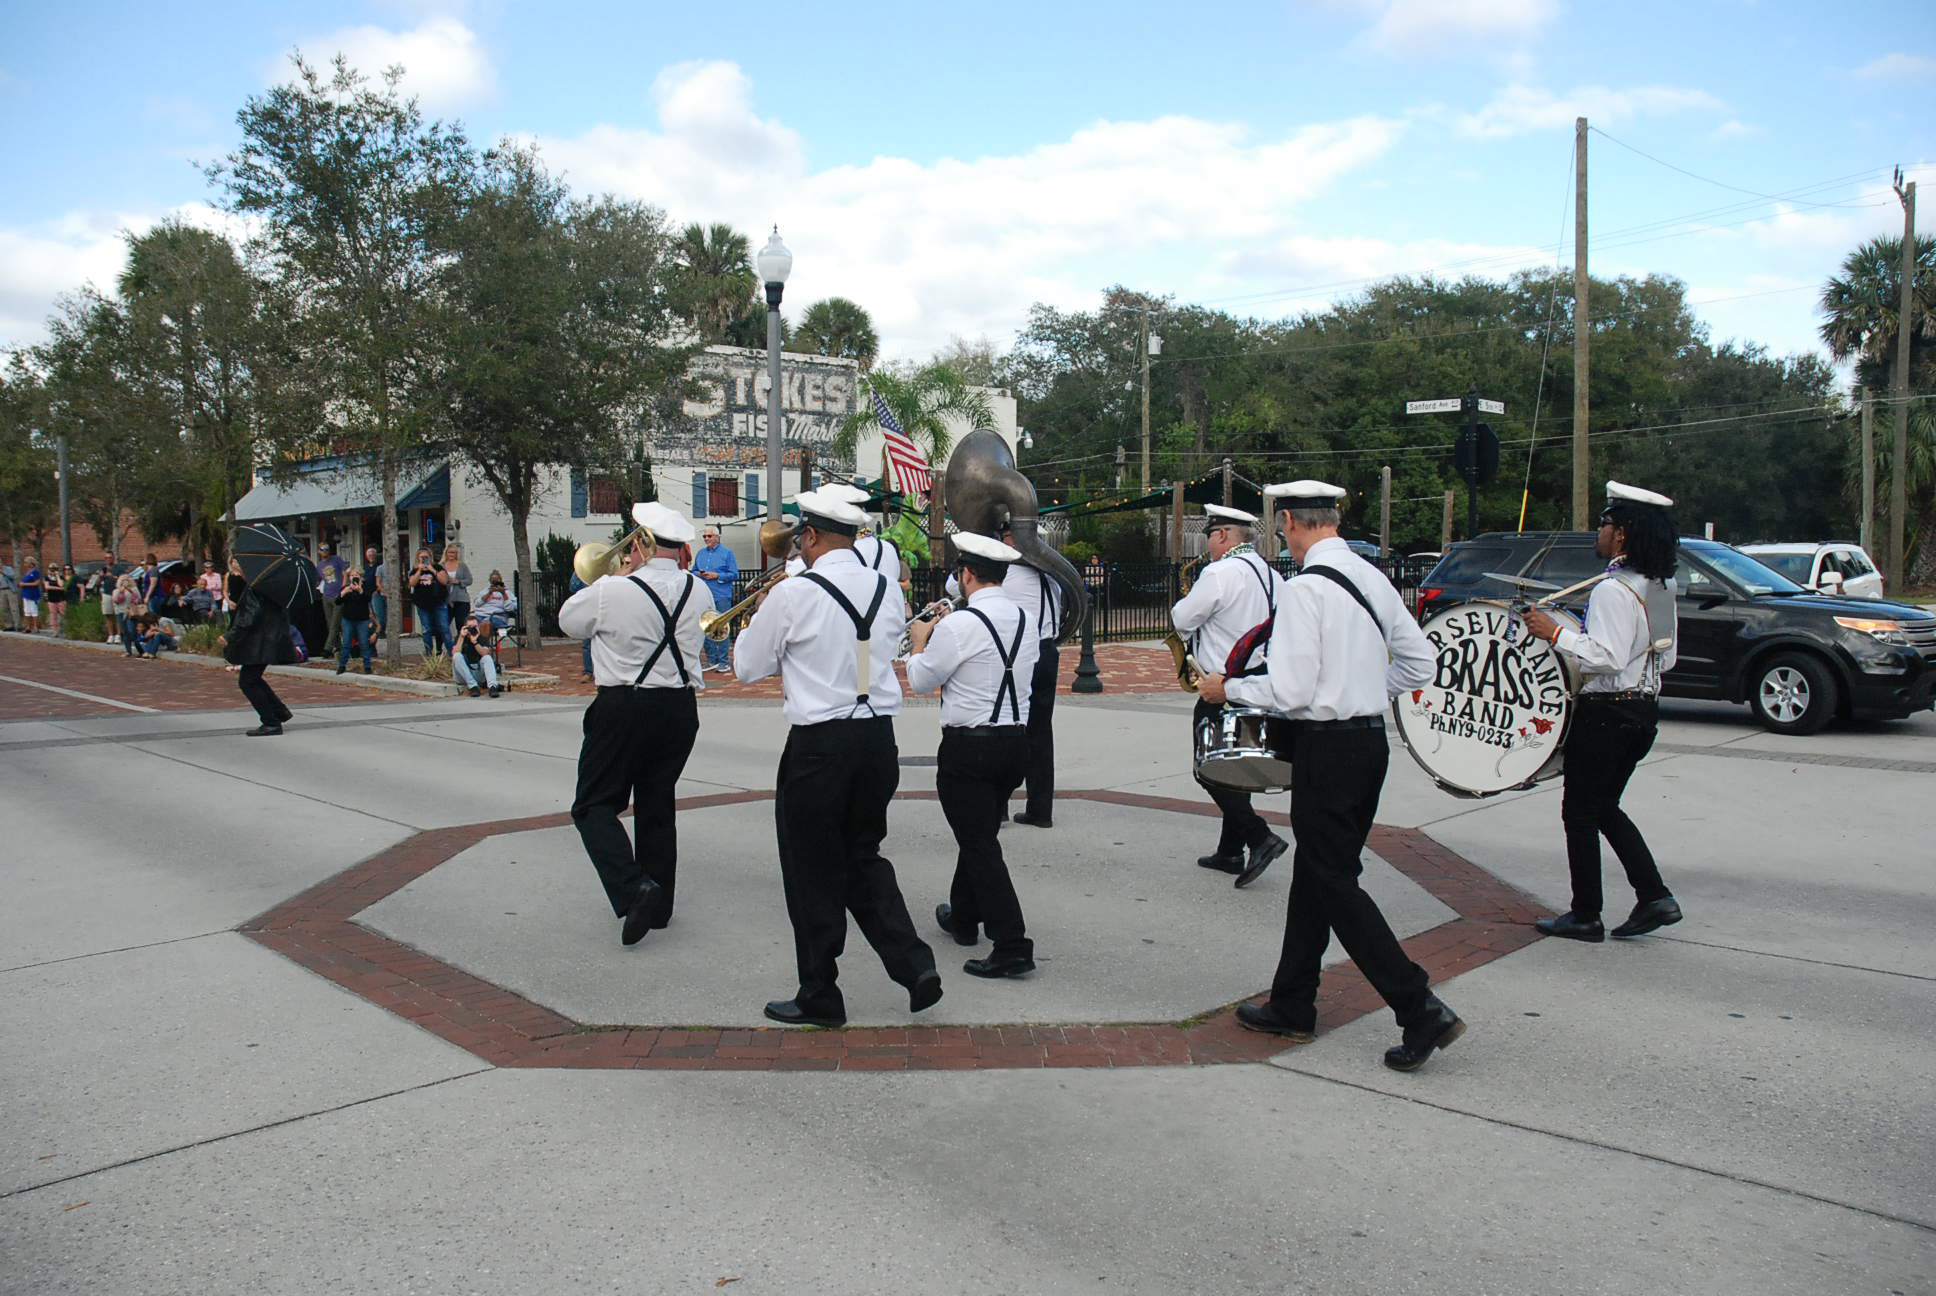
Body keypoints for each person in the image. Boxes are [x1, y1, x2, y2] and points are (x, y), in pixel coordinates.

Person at [1200, 480, 1464, 1073]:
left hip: (1326, 749)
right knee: (1321, 875)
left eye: (1282, 526)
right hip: (1368, 744)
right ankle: (1294, 1002)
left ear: (1288, 519)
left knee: (1335, 882)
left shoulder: (1303, 590)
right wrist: (1363, 692)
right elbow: (1420, 661)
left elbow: (1290, 691)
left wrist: (1229, 687)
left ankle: (1416, 1004)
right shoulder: (1372, 577)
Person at [734, 489, 941, 1027]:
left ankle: (819, 992)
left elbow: (746, 668)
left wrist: (760, 616)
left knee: (811, 869)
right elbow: (866, 654)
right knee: (863, 856)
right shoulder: (884, 589)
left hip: (820, 745)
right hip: (877, 740)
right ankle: (914, 965)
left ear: (811, 536)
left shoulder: (794, 592)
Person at [1523, 481, 1685, 944]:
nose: (1599, 531)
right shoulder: (1659, 585)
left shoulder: (1615, 590)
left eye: (1605, 524)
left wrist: (1555, 634)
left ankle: (1585, 914)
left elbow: (1606, 656)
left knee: (1579, 812)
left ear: (1623, 534)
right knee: (1603, 807)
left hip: (1609, 713)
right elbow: (1666, 656)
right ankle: (1654, 896)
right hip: (1643, 710)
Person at [558, 502, 708, 947]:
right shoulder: (698, 590)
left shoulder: (613, 589)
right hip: (679, 708)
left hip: (624, 704)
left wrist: (615, 576)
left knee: (592, 806)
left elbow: (568, 622)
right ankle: (659, 909)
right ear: (680, 548)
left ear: (639, 543)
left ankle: (633, 887)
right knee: (657, 804)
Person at [906, 532, 1041, 978]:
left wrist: (921, 638)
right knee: (978, 831)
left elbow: (923, 681)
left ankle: (1012, 943)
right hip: (1016, 743)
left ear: (965, 574)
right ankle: (964, 916)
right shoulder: (1024, 619)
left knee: (979, 843)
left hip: (970, 746)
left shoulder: (961, 624)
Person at [1171, 505, 1290, 887]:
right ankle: (1229, 852)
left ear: (1222, 534)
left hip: (1220, 683)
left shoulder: (1220, 572)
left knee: (1208, 769)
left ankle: (1259, 836)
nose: (1207, 544)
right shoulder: (1273, 575)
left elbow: (1182, 620)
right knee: (1234, 766)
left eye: (1209, 536)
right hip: (1258, 680)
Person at [1002, 528, 1064, 829]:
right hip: (1048, 651)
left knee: (1005, 727)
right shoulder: (1052, 576)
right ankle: (1041, 809)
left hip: (1019, 656)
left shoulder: (1005, 574)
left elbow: (954, 586)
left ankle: (997, 805)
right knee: (1041, 733)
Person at [220, 581, 295, 736]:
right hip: (270, 638)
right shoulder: (273, 587)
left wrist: (230, 635)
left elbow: (249, 616)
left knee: (247, 681)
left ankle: (271, 722)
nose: (235, 565)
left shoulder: (255, 588)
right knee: (253, 679)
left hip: (260, 641)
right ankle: (279, 712)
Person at [691, 524, 739, 674]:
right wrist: (699, 574)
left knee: (722, 628)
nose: (706, 539)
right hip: (704, 594)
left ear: (717, 537)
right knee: (705, 626)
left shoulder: (727, 553)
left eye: (709, 536)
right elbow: (693, 571)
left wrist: (717, 576)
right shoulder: (700, 553)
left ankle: (723, 661)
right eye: (704, 536)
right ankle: (711, 660)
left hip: (721, 594)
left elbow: (734, 574)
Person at [407, 547, 451, 655]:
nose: (423, 559)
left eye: (425, 557)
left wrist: (431, 569)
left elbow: (444, 581)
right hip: (423, 604)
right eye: (421, 557)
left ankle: (452, 653)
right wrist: (419, 570)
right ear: (418, 558)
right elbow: (411, 583)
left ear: (430, 557)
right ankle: (429, 653)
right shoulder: (415, 570)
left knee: (444, 628)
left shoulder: (438, 567)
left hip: (439, 602)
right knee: (426, 630)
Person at [335, 569, 376, 674]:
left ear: (361, 576)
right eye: (351, 575)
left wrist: (360, 590)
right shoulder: (346, 588)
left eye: (356, 575)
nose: (354, 577)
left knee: (364, 643)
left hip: (362, 620)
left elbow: (368, 598)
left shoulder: (365, 587)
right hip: (348, 619)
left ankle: (367, 666)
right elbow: (337, 602)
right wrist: (343, 593)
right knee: (347, 643)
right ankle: (342, 666)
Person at [452, 613, 502, 697]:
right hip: (463, 676)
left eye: (475, 626)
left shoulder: (482, 637)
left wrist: (475, 642)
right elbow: (455, 653)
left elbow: (485, 653)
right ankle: (473, 687)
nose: (472, 629)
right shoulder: (460, 637)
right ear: (465, 627)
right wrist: (461, 637)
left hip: (478, 672)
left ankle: (492, 687)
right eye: (470, 627)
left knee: (487, 658)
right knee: (457, 656)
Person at [315, 543, 348, 655]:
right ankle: (339, 647)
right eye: (323, 549)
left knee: (335, 623)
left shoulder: (336, 559)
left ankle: (327, 649)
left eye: (327, 549)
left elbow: (345, 573)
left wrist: (343, 588)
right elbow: (318, 580)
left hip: (338, 595)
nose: (325, 551)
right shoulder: (319, 565)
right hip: (326, 596)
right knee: (330, 625)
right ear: (318, 551)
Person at [441, 543, 474, 639]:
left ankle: (462, 646)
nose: (451, 555)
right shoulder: (441, 566)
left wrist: (458, 581)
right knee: (443, 624)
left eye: (454, 553)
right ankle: (439, 649)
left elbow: (469, 580)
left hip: (461, 599)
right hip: (446, 598)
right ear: (446, 553)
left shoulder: (462, 566)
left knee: (460, 624)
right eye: (449, 553)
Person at [112, 575, 141, 652]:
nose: (124, 582)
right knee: (124, 632)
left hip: (130, 612)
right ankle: (128, 651)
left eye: (126, 580)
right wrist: (121, 591)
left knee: (132, 631)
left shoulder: (134, 589)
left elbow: (138, 599)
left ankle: (140, 649)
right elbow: (116, 600)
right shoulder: (116, 591)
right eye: (122, 580)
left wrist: (130, 591)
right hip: (120, 612)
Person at [20, 556, 43, 634]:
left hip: (33, 594)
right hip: (25, 594)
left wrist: (25, 584)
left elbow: (37, 582)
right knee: (27, 611)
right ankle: (28, 627)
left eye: (26, 562)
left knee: (34, 610)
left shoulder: (35, 572)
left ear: (31, 563)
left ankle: (36, 627)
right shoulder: (27, 572)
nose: (25, 564)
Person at [0, 557, 20, 632]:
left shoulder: (8, 568)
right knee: (4, 609)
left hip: (10, 590)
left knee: (14, 608)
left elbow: (13, 576)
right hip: (1, 591)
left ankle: (17, 626)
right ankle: (9, 626)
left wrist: (3, 572)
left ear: (1, 562)